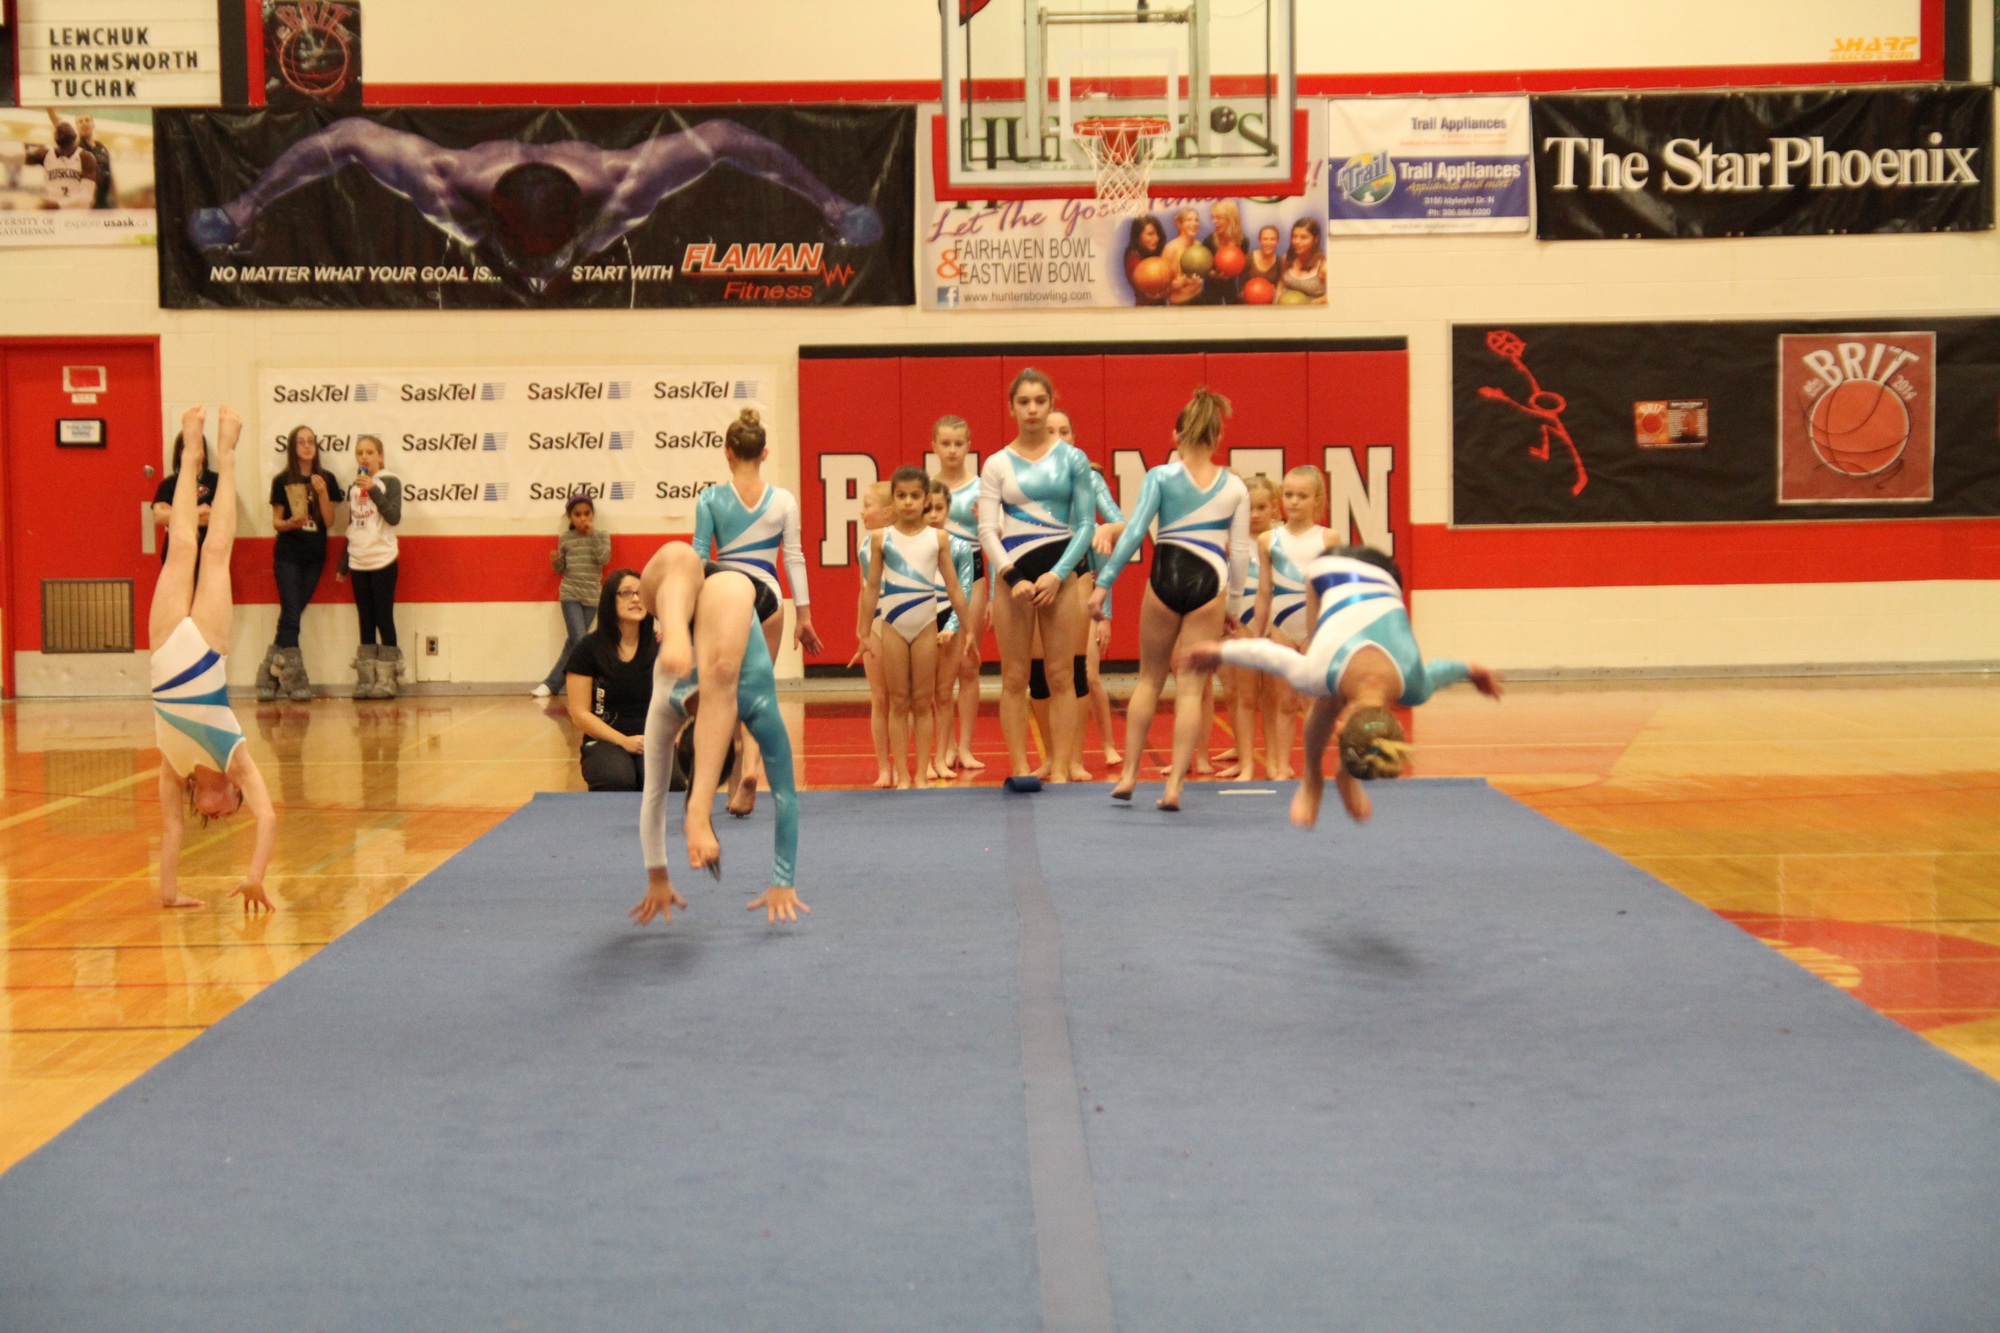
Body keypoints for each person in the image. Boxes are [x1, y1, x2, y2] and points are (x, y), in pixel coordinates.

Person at [188, 117, 884, 294]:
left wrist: (830, 203)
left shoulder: (623, 182)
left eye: (551, 257)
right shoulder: (446, 181)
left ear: (581, 224)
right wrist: (246, 204)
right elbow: (344, 136)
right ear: (490, 222)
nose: (540, 273)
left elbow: (726, 138)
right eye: (525, 258)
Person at [1180, 544, 1503, 828]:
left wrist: (1472, 671)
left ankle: (1337, 778)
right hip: (1327, 569)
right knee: (1325, 694)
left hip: (1386, 570)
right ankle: (1313, 780)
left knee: (1330, 692)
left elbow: (1444, 669)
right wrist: (1219, 652)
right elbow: (1269, 655)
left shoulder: (1415, 685)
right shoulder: (1322, 669)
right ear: (1339, 727)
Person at [1089, 387, 1250, 810]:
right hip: (1210, 583)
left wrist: (1104, 583)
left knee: (1148, 680)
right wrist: (1233, 608)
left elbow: (1133, 533)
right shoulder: (1235, 487)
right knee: (1192, 689)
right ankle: (1175, 785)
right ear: (1218, 437)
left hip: (1166, 574)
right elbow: (1239, 555)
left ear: (1176, 435)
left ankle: (1128, 775)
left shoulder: (1160, 476)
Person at [633, 545, 805, 926]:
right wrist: (783, 879)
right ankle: (676, 631)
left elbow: (655, 796)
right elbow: (786, 796)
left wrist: (658, 876)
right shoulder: (756, 705)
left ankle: (675, 630)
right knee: (690, 563)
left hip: (690, 597)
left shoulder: (668, 703)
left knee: (683, 561)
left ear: (685, 739)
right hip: (721, 599)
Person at [149, 406, 277, 911]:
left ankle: (190, 450)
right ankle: (225, 452)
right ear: (234, 789)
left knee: (182, 545)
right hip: (205, 649)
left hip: (164, 646)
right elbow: (268, 818)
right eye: (230, 812)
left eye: (215, 817)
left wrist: (170, 895)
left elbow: (171, 829)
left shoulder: (173, 769)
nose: (218, 818)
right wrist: (255, 876)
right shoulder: (234, 757)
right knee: (216, 549)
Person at [691, 408, 822, 815]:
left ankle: (730, 780)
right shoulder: (783, 500)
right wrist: (804, 616)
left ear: (727, 452)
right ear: (764, 453)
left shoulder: (711, 499)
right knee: (759, 689)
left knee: (725, 691)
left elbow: (698, 558)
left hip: (726, 597)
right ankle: (748, 771)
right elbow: (794, 558)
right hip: (769, 598)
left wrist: (683, 614)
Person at [978, 368, 1096, 787]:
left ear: (1050, 404)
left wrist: (1059, 575)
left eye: (1040, 401)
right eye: (1023, 402)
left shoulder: (1073, 459)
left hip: (1059, 572)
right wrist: (1012, 577)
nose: (1032, 409)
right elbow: (986, 530)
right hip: (1014, 575)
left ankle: (1061, 766)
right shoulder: (996, 463)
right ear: (1011, 408)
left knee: (1062, 675)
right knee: (1015, 678)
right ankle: (1020, 767)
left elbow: (1086, 524)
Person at [857, 467, 969, 789]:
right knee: (898, 702)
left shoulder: (938, 538)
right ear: (893, 501)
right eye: (902, 496)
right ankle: (903, 774)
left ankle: (921, 773)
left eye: (915, 496)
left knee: (922, 702)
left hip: (925, 626)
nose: (908, 502)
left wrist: (969, 629)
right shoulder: (881, 538)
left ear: (926, 499)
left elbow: (955, 588)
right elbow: (871, 588)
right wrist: (863, 632)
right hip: (892, 626)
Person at [1257, 465, 1329, 780]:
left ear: (1317, 500)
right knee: (1284, 700)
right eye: (1288, 495)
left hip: (1315, 629)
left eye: (1302, 496)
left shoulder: (1328, 538)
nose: (1294, 501)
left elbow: (1335, 588)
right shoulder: (1268, 540)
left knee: (1311, 701)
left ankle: (1312, 766)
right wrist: (1258, 635)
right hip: (1281, 628)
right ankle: (1282, 764)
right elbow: (1264, 591)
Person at [261, 425, 341, 701]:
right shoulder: (282, 480)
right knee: (292, 617)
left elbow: (329, 521)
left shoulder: (326, 478)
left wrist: (322, 493)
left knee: (290, 615)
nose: (307, 446)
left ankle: (268, 675)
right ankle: (296, 680)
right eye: (301, 442)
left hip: (314, 557)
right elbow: (276, 522)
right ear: (293, 448)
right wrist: (290, 524)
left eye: (311, 442)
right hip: (288, 555)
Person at [566, 568, 656, 792]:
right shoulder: (588, 648)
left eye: (640, 593)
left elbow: (679, 702)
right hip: (605, 740)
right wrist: (624, 741)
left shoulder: (661, 647)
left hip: (653, 739)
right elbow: (580, 714)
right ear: (609, 600)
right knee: (617, 779)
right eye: (626, 593)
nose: (636, 599)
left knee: (669, 783)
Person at [932, 416, 988, 772]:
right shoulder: (926, 489)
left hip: (974, 576)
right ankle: (946, 745)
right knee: (940, 671)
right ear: (934, 446)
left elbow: (992, 541)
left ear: (969, 445)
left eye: (958, 443)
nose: (952, 450)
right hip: (932, 577)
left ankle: (965, 746)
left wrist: (993, 596)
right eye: (945, 444)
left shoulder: (981, 487)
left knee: (968, 664)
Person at [1215, 472, 1278, 780]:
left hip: (1274, 625)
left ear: (1274, 507)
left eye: (1262, 508)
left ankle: (1275, 759)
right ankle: (1245, 759)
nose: (1254, 515)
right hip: (1240, 624)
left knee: (1272, 698)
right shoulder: (1233, 542)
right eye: (1249, 508)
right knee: (1242, 695)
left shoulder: (1279, 541)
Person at [334, 434, 403, 698]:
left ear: (380, 456)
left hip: (383, 559)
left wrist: (373, 489)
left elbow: (394, 517)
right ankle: (366, 678)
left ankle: (388, 678)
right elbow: (355, 525)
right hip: (359, 560)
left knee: (383, 617)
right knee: (365, 618)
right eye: (360, 452)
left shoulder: (390, 481)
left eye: (370, 452)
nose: (364, 457)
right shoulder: (354, 487)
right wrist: (344, 563)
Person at [535, 494, 609, 698]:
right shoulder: (566, 538)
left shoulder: (602, 535)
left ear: (593, 514)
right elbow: (562, 569)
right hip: (570, 593)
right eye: (577, 514)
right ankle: (596, 681)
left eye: (587, 513)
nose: (583, 518)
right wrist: (556, 561)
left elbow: (604, 558)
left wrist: (592, 535)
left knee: (574, 644)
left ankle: (551, 684)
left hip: (592, 596)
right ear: (570, 517)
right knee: (580, 640)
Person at [926, 477, 975, 781]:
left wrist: (953, 626)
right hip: (919, 620)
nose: (933, 514)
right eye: (928, 508)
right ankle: (924, 758)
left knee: (944, 693)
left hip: (947, 619)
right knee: (920, 697)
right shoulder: (908, 545)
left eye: (939, 508)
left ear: (948, 510)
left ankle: (944, 754)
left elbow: (963, 591)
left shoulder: (959, 546)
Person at [851, 481, 895, 788]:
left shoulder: (906, 541)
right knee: (880, 698)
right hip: (877, 624)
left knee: (910, 700)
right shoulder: (865, 545)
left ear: (888, 511)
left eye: (868, 505)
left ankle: (911, 762)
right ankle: (884, 767)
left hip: (904, 621)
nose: (862, 511)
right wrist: (862, 631)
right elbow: (865, 590)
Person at [151, 430, 218, 569]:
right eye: (187, 447)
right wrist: (197, 512)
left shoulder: (217, 481)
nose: (194, 452)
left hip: (208, 551)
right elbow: (159, 516)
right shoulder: (169, 483)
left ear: (204, 451)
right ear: (180, 452)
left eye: (198, 446)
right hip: (175, 551)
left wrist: (174, 513)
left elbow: (216, 518)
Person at [25, 119, 95, 210]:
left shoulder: (85, 157)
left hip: (76, 213)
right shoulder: (45, 154)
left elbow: (86, 196)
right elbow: (19, 158)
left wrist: (58, 204)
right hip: (52, 212)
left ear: (75, 137)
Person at [58, 111, 114, 209]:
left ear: (93, 125)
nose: (84, 123)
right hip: (85, 203)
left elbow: (110, 175)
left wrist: (115, 199)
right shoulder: (75, 148)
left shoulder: (102, 148)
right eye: (80, 121)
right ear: (76, 128)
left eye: (87, 120)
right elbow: (59, 124)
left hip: (104, 202)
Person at [1161, 206, 1205, 305]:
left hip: (1199, 298)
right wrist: (1183, 283)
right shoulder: (1171, 248)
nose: (1194, 223)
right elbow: (1163, 285)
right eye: (1188, 220)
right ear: (1179, 224)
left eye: (1196, 220)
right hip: (1180, 304)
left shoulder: (1198, 245)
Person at [1122, 214, 1168, 306]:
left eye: (1157, 234)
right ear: (1138, 236)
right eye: (1150, 234)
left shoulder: (1155, 252)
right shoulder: (1133, 259)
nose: (1156, 238)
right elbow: (1148, 293)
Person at [1282, 218, 1328, 305]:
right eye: (1294, 236)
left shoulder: (1323, 266)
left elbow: (1336, 294)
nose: (1297, 241)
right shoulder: (1286, 259)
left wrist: (1312, 303)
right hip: (1284, 310)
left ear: (1316, 239)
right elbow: (1281, 283)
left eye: (1303, 237)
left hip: (1312, 311)